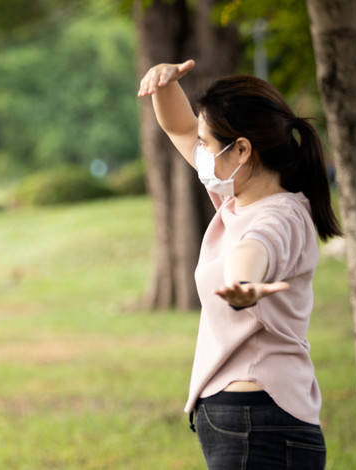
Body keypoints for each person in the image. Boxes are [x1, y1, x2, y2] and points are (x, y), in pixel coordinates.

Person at [138, 60, 341, 469]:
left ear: (242, 150)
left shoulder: (278, 216)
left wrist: (243, 283)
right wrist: (164, 84)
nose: (201, 155)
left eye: (207, 144)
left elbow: (255, 250)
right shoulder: (235, 199)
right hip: (244, 415)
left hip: (259, 417)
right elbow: (179, 128)